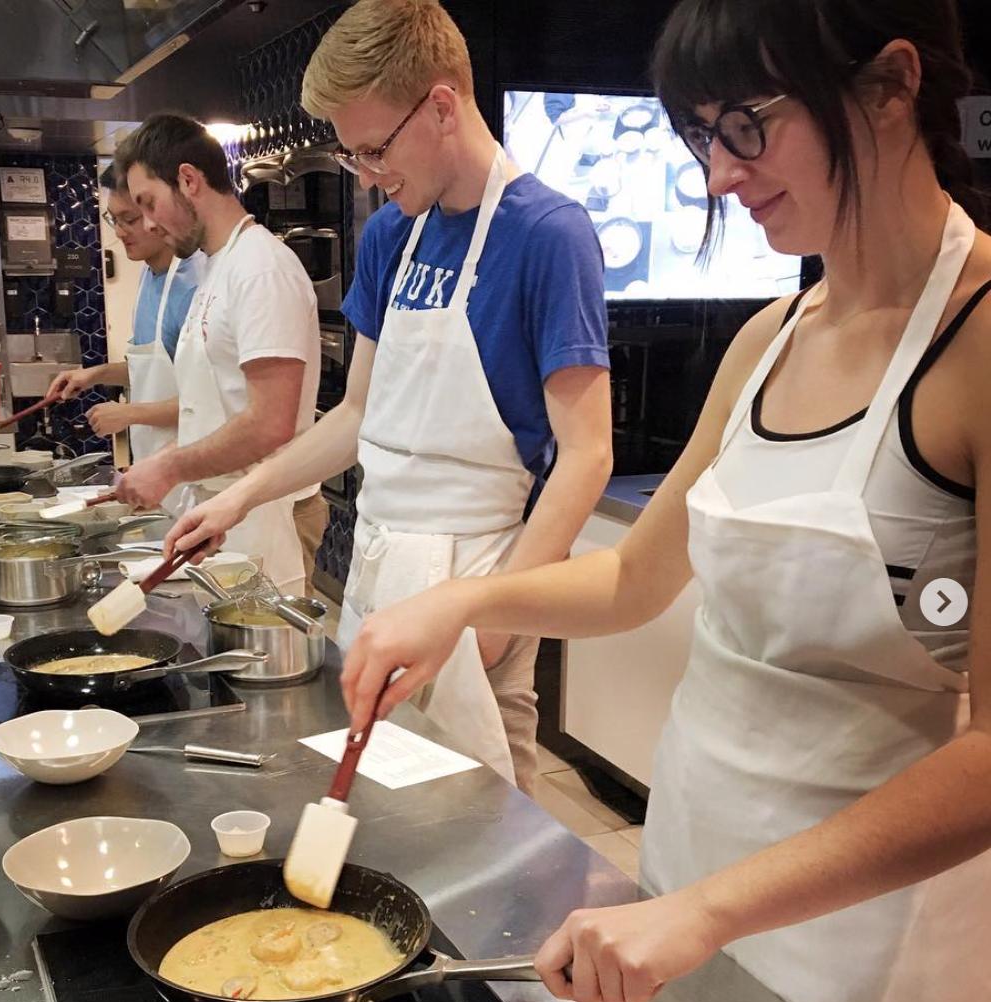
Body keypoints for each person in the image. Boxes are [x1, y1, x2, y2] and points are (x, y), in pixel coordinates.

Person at [335, 0, 991, 1002]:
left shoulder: (979, 342)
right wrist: (460, 599)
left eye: (746, 126)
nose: (721, 175)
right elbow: (638, 576)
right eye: (699, 139)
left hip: (870, 952)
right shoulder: (769, 338)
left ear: (890, 86)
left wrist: (707, 908)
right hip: (689, 880)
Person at [164, 0, 613, 792]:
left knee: (487, 824)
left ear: (441, 106)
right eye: (352, 157)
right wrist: (239, 500)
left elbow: (587, 454)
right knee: (375, 803)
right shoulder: (391, 237)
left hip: (475, 576)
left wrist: (498, 626)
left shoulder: (547, 233)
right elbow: (358, 416)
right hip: (376, 566)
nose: (367, 175)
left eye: (374, 149)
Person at [111, 115, 327, 596]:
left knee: (270, 658)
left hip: (268, 512)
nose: (147, 223)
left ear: (189, 180)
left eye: (149, 204)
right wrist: (168, 457)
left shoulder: (260, 269)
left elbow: (271, 423)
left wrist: (168, 467)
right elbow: (218, 402)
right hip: (226, 511)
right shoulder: (217, 268)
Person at [46, 165, 201, 512]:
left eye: (129, 218)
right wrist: (95, 374)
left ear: (155, 212)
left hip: (196, 477)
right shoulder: (149, 276)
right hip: (158, 474)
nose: (120, 232)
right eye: (112, 219)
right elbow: (152, 367)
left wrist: (129, 413)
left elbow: (211, 404)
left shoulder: (194, 285)